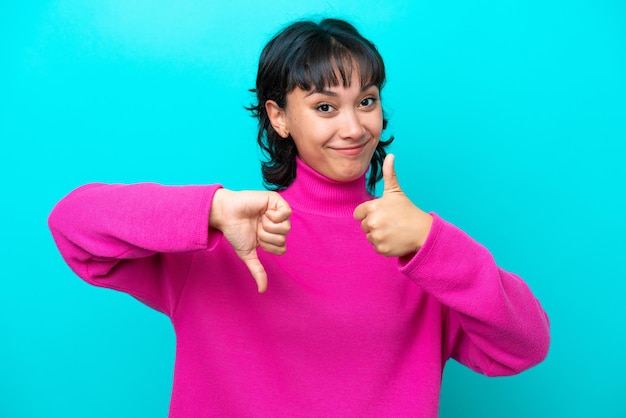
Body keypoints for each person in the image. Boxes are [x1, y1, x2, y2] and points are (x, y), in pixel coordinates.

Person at [48, 18, 550, 417]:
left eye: (367, 102)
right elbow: (73, 224)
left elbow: (525, 345)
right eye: (325, 107)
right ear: (279, 116)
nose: (354, 127)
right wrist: (211, 210)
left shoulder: (418, 250)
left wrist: (431, 242)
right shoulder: (226, 233)